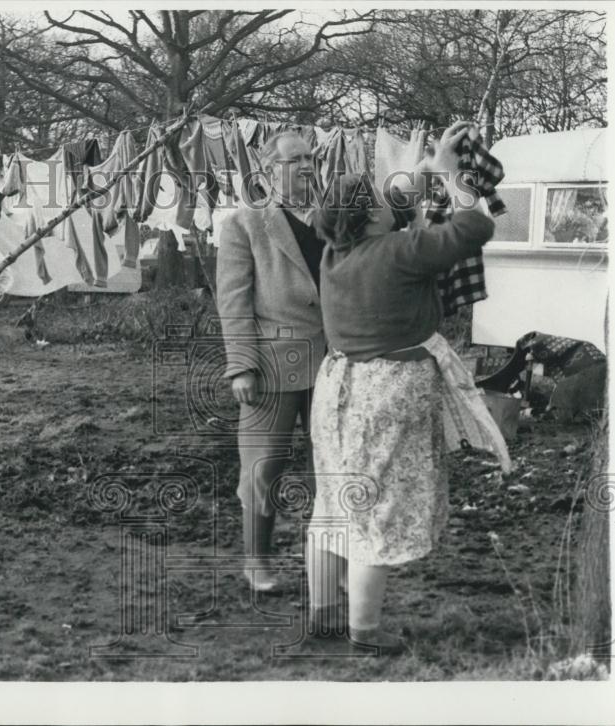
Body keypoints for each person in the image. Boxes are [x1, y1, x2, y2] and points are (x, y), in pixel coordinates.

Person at [305, 121, 508, 651]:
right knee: (378, 507)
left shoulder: (336, 255)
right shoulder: (400, 252)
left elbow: (390, 204)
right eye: (379, 199)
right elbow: (474, 227)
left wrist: (419, 174)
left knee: (334, 504)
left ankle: (324, 616)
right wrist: (449, 173)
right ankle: (365, 632)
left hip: (337, 389)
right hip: (387, 391)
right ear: (372, 215)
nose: (389, 200)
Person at [216, 131, 326, 593]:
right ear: (268, 171)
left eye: (310, 158)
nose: (306, 166)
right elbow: (233, 301)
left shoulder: (333, 218)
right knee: (263, 466)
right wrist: (241, 365)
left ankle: (328, 567)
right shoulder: (246, 224)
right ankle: (257, 562)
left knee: (333, 466)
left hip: (332, 363)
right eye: (295, 159)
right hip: (273, 364)